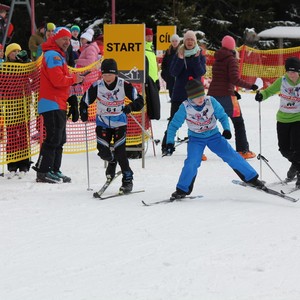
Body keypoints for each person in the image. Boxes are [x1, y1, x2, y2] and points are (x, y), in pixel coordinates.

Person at [165, 79, 265, 199]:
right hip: (196, 139)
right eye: (197, 97)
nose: (201, 99)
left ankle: (252, 178)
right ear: (190, 97)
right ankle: (182, 189)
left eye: (202, 95)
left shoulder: (210, 101)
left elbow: (222, 116)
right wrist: (170, 142)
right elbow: (173, 125)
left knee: (231, 155)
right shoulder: (185, 107)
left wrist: (226, 129)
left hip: (214, 136)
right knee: (192, 162)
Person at [79, 58, 144, 193]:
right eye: (105, 74)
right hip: (102, 122)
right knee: (102, 150)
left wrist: (130, 106)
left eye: (110, 74)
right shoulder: (97, 86)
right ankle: (112, 161)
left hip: (119, 122)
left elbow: (139, 100)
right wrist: (83, 112)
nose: (107, 78)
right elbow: (84, 101)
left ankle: (127, 179)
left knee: (121, 152)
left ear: (116, 74)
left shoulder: (123, 84)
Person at [33, 27, 84, 183]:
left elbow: (63, 79)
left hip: (58, 102)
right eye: (64, 39)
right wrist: (74, 79)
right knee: (54, 138)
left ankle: (54, 169)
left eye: (69, 40)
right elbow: (58, 80)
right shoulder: (52, 56)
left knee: (60, 139)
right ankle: (43, 171)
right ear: (55, 39)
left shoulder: (59, 55)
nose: (67, 42)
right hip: (51, 102)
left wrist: (71, 96)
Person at [207, 35, 258, 159]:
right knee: (238, 122)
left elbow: (221, 79)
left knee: (207, 123)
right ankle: (242, 150)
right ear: (233, 46)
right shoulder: (231, 59)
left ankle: (198, 150)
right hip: (226, 96)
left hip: (213, 94)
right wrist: (251, 86)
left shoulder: (218, 58)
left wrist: (233, 91)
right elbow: (235, 79)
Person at [255, 57, 300, 187]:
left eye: (294, 72)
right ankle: (296, 165)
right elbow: (269, 91)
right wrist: (261, 96)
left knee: (297, 148)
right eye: (289, 72)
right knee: (284, 149)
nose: (291, 75)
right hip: (283, 118)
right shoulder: (282, 81)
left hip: (298, 118)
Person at [161, 30, 206, 158]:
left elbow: (201, 72)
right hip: (180, 93)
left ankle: (198, 149)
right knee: (173, 121)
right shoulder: (179, 53)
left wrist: (197, 59)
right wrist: (180, 59)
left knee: (198, 123)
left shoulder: (199, 53)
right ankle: (167, 146)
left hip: (196, 95)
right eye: (187, 40)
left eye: (192, 40)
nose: (190, 42)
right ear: (184, 41)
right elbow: (173, 72)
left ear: (195, 41)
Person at [2, 43, 32, 178]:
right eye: (13, 51)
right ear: (8, 54)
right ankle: (12, 163)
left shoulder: (24, 65)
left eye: (18, 51)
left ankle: (24, 162)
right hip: (10, 105)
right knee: (12, 134)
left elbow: (32, 76)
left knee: (24, 133)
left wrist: (26, 62)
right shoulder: (4, 68)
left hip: (23, 104)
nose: (16, 54)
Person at [145, 27, 160, 120]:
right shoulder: (143, 49)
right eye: (147, 36)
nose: (150, 38)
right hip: (148, 79)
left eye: (151, 36)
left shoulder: (151, 49)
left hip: (154, 78)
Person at [161, 33, 180, 100]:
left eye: (176, 41)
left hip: (179, 77)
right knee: (172, 95)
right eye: (173, 41)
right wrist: (165, 74)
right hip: (170, 77)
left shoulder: (182, 51)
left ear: (178, 42)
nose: (174, 43)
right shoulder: (168, 51)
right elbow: (164, 64)